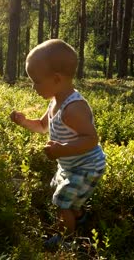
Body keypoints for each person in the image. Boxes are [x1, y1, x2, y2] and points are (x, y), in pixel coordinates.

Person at [10, 39, 106, 249]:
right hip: (71, 165)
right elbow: (43, 126)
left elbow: (91, 139)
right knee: (58, 186)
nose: (33, 86)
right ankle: (79, 216)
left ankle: (66, 240)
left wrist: (61, 150)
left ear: (56, 79)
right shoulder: (55, 101)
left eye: (35, 81)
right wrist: (24, 121)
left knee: (62, 199)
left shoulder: (73, 108)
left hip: (87, 167)